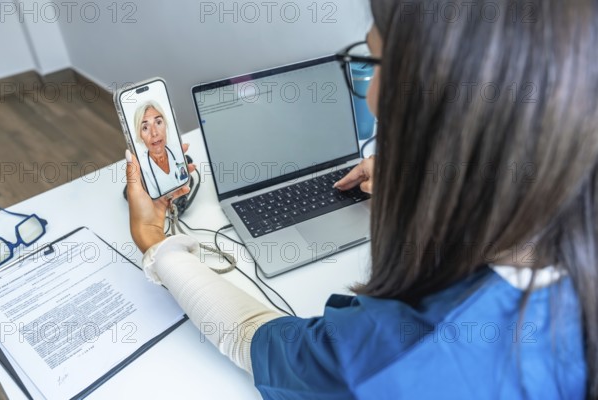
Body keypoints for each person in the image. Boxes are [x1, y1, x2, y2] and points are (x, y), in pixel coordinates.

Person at [125, 0, 597, 397]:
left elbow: (258, 341)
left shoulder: (397, 354)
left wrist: (155, 243)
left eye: (376, 65)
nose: (371, 100)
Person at [134, 101, 187, 198]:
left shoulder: (178, 152)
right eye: (145, 128)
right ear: (140, 135)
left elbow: (186, 184)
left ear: (165, 125)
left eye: (158, 122)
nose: (154, 133)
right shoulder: (141, 168)